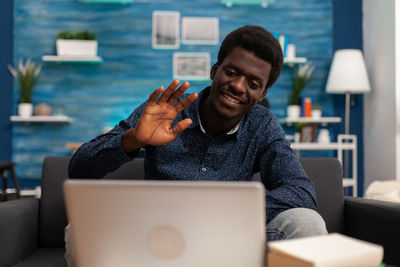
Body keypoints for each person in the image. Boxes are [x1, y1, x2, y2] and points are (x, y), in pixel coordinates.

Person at [66, 25, 327, 266]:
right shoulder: (165, 110)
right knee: (78, 229)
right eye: (232, 72)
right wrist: (135, 139)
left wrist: (221, 213)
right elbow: (79, 168)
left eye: (253, 83)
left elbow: (300, 191)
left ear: (262, 94)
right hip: (156, 239)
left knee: (306, 222)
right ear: (215, 71)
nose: (237, 86)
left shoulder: (262, 125)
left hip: (229, 241)